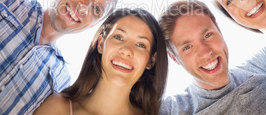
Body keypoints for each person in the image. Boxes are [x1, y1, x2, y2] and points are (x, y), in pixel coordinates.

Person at [159, 0, 266, 114]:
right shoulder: (171, 110)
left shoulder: (264, 65)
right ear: (174, 58)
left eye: (207, 35)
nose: (205, 52)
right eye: (187, 47)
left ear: (219, 31)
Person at [34, 8, 168, 115]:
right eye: (118, 37)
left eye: (141, 45)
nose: (127, 50)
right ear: (101, 44)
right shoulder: (57, 108)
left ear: (151, 61)